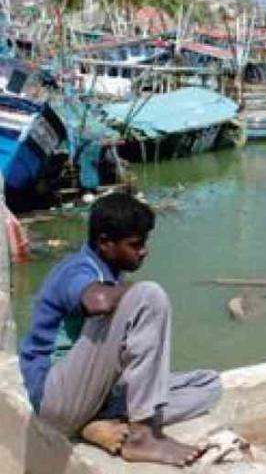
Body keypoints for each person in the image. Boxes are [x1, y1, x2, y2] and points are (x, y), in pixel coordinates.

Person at [19, 192, 222, 467]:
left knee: (208, 386)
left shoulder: (110, 273)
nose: (144, 251)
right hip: (55, 397)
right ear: (105, 243)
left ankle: (98, 423)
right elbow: (97, 301)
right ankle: (141, 437)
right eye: (135, 245)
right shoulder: (78, 269)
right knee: (149, 295)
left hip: (90, 394)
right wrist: (134, 292)